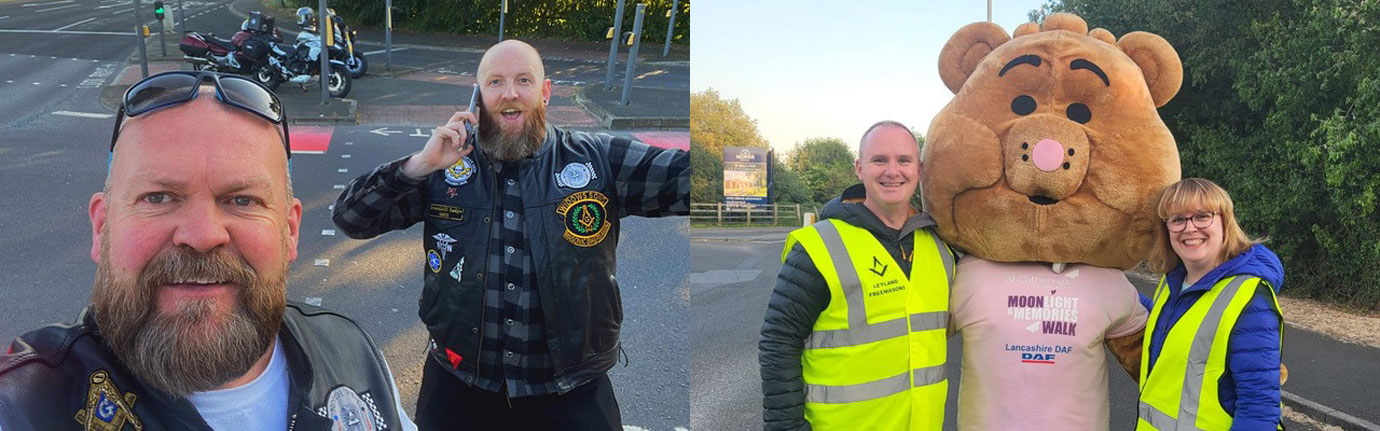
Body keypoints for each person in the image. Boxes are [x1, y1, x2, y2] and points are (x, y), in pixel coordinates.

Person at [0, 71, 416, 430]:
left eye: (242, 200)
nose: (202, 235)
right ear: (102, 226)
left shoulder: (354, 355)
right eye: (159, 197)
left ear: (290, 231)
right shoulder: (23, 403)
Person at [331, 39, 689, 430]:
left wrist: (753, 164)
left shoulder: (597, 160)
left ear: (545, 91)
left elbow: (689, 177)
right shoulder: (445, 166)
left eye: (523, 80)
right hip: (458, 387)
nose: (510, 93)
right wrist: (418, 165)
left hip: (571, 392)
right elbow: (352, 218)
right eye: (496, 82)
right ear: (478, 95)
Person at [759, 121, 955, 431]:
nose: (892, 171)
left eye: (903, 160)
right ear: (859, 168)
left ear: (919, 169)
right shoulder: (819, 247)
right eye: (880, 160)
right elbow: (778, 342)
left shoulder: (941, 248)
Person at [1138, 178, 1284, 430]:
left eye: (1202, 216)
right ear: (1167, 228)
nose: (1190, 228)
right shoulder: (1172, 281)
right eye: (1177, 220)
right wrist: (1114, 288)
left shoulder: (1250, 298)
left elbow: (1258, 410)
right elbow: (1175, 328)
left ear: (1225, 222)